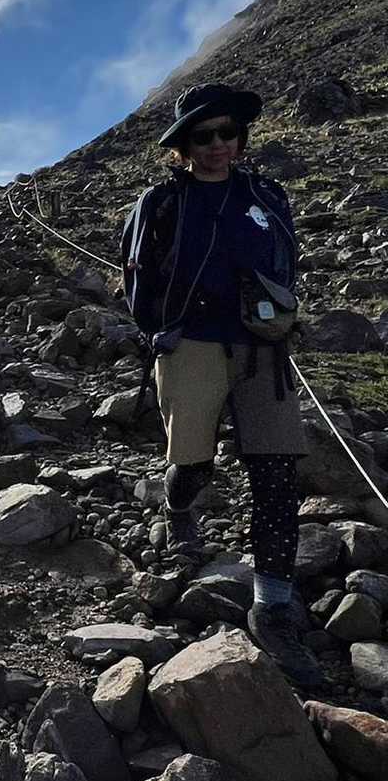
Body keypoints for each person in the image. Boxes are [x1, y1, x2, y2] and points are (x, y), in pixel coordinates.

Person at [121, 81, 323, 688]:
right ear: (183, 145)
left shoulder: (265, 195)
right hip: (192, 345)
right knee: (193, 463)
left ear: (240, 137)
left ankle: (272, 608)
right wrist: (158, 330)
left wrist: (280, 318)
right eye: (203, 135)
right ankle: (178, 504)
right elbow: (138, 275)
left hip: (262, 350)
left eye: (227, 132)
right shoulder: (162, 202)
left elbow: (286, 262)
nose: (217, 145)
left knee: (276, 473)